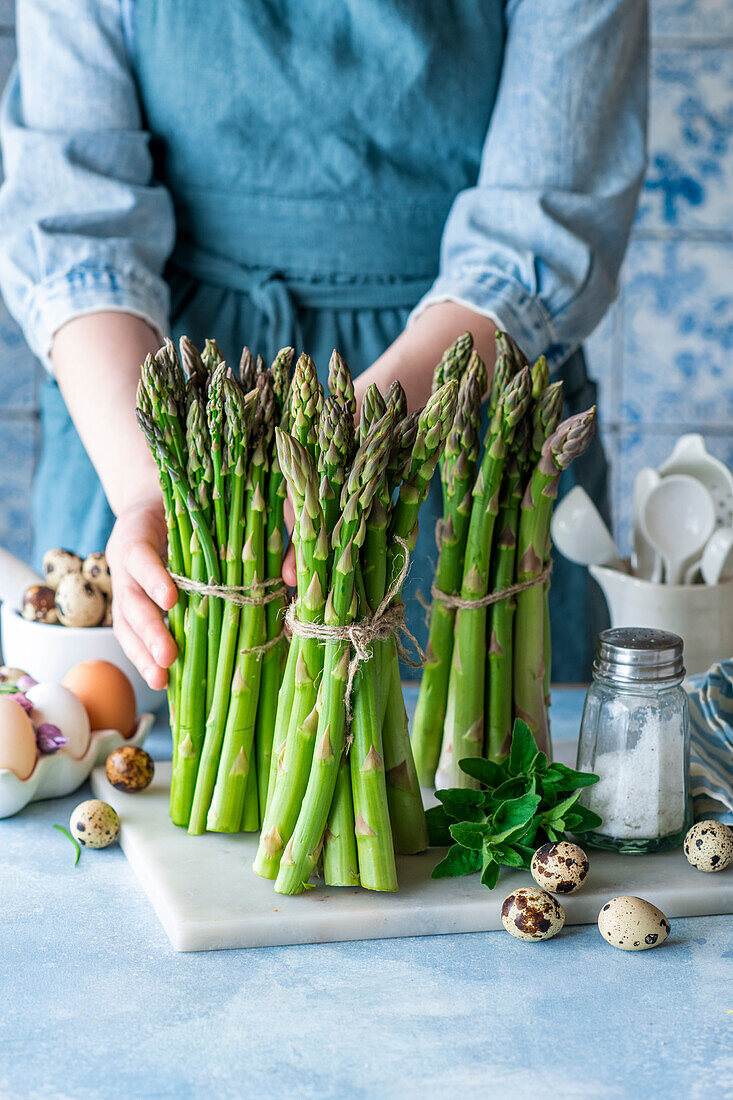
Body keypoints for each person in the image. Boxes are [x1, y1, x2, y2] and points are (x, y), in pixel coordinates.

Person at [0, 0, 647, 690]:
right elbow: (75, 225)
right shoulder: (151, 470)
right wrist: (150, 491)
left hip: (461, 409)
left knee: (489, 755)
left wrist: (366, 436)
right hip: (153, 413)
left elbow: (541, 223)